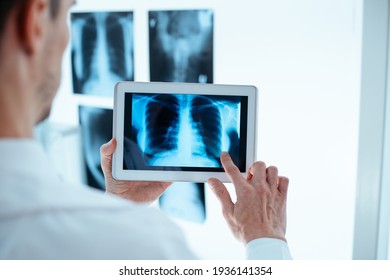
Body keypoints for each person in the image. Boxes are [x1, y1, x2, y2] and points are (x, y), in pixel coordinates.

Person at [0, 0, 292, 259]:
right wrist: (266, 239)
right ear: (35, 18)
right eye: (67, 15)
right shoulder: (148, 247)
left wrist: (118, 207)